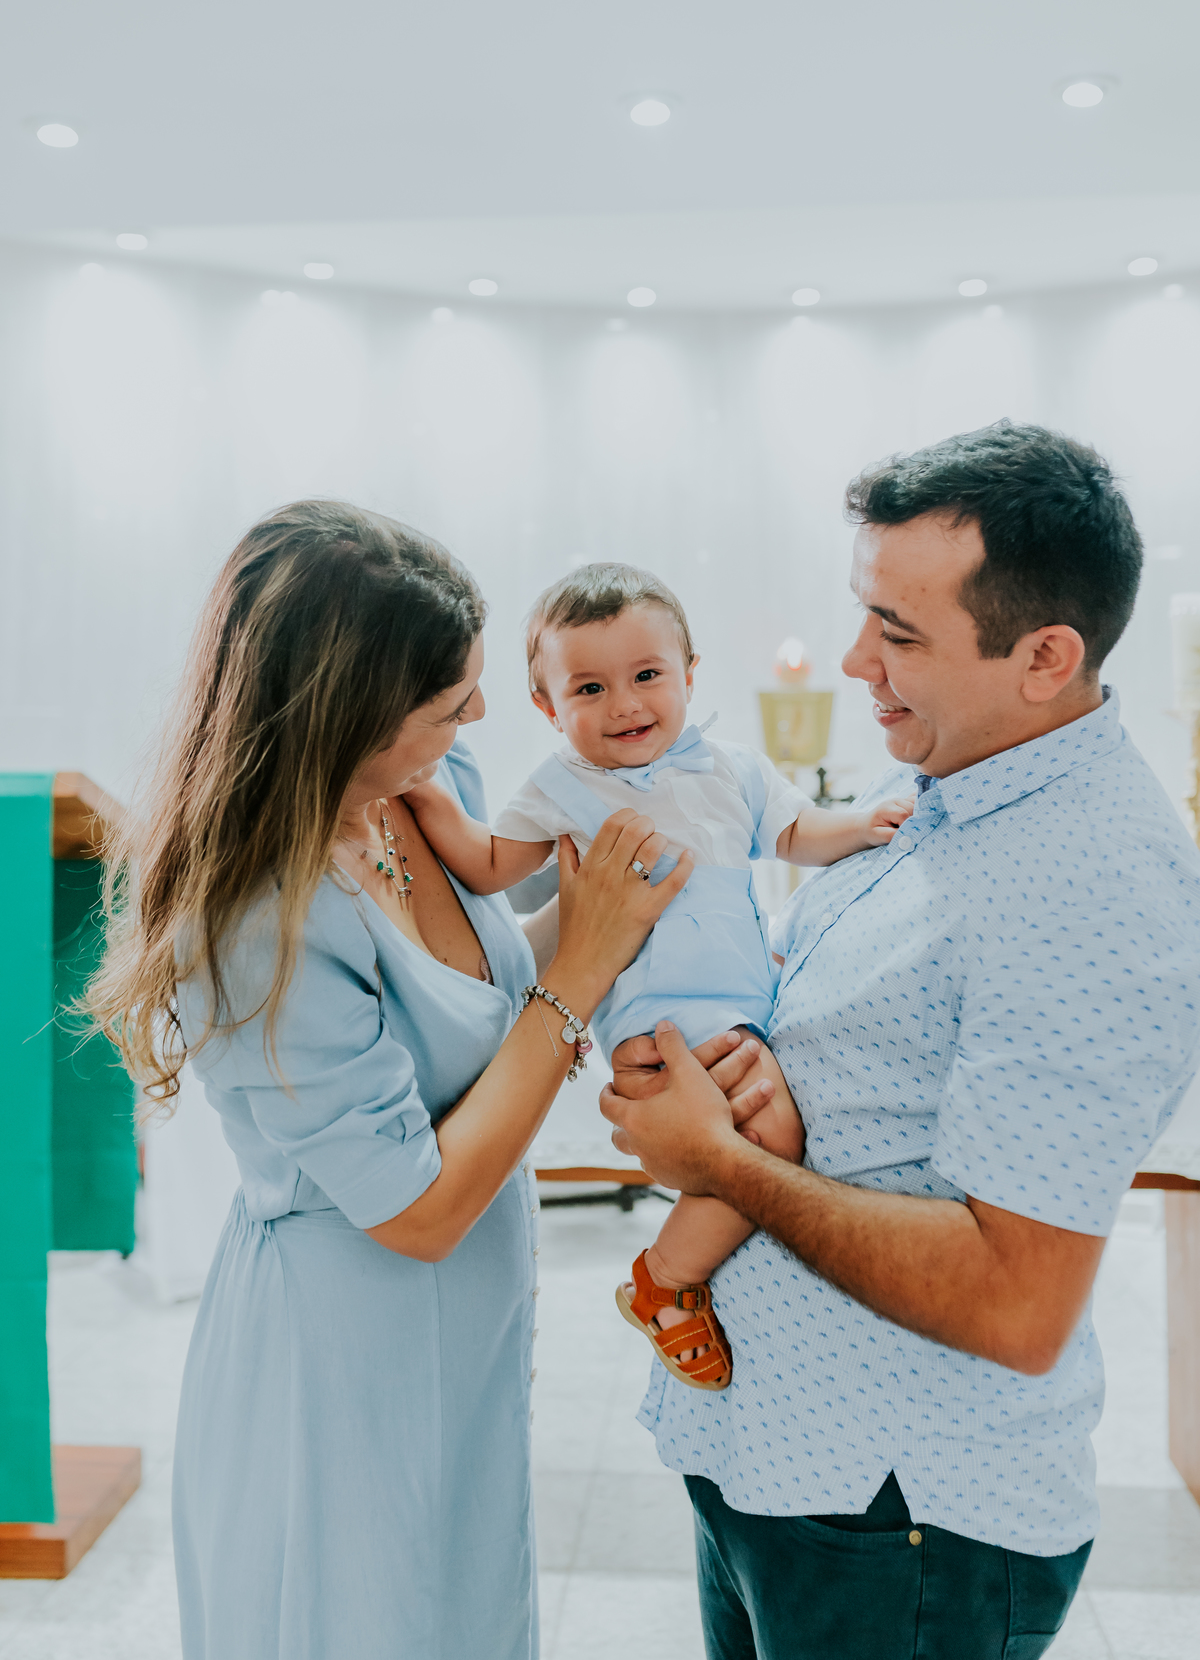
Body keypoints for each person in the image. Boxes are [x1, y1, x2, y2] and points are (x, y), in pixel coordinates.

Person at [599, 423, 1200, 1660]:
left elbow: (1015, 1295)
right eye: (865, 614)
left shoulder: (1094, 880)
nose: (859, 660)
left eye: (903, 634)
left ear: (1046, 655)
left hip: (904, 1523)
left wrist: (726, 1163)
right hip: (783, 1470)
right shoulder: (953, 786)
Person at [85, 501, 696, 1660]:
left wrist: (645, 877)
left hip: (467, 1322)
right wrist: (578, 974)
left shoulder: (423, 781)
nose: (476, 715)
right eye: (446, 701)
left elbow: (515, 941)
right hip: (340, 1352)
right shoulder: (262, 912)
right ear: (340, 716)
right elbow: (416, 1209)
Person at [403, 562, 912, 1389]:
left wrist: (859, 825)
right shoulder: (563, 786)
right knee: (770, 1140)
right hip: (654, 1018)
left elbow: (793, 833)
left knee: (765, 1142)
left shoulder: (731, 770)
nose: (626, 705)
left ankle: (677, 1276)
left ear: (688, 674)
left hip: (747, 1009)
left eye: (647, 677)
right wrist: (431, 804)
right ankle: (665, 1283)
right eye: (590, 689)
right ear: (547, 706)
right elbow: (494, 865)